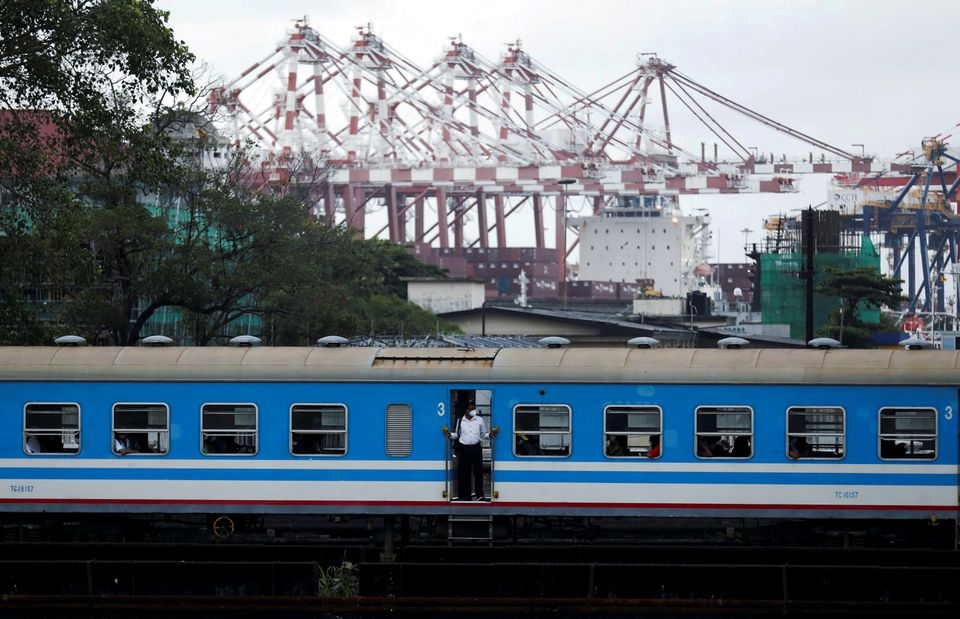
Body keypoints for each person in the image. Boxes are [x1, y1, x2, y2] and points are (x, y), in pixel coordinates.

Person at [445, 402, 497, 501]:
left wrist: (490, 435)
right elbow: (457, 434)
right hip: (464, 448)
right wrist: (450, 435)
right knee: (465, 473)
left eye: (474, 408)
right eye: (471, 409)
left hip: (476, 447)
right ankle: (466, 496)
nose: (474, 411)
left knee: (478, 472)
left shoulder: (479, 420)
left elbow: (483, 434)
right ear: (466, 410)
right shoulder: (460, 420)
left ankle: (480, 495)